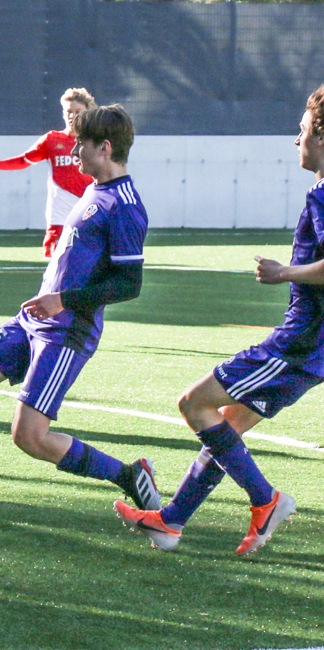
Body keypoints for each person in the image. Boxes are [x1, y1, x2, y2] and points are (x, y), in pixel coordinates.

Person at [113, 85, 324, 555]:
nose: (297, 140)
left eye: (303, 130)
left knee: (194, 405)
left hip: (299, 343)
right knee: (226, 426)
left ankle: (266, 500)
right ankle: (171, 522)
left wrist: (284, 273)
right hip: (313, 346)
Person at [0, 104, 160, 520]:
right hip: (33, 321)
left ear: (105, 147)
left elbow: (129, 285)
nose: (73, 151)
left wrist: (63, 301)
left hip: (66, 332)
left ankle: (129, 475)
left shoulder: (125, 204)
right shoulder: (92, 191)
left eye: (81, 144)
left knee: (29, 437)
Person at [0, 88, 98, 257]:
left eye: (78, 111)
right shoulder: (52, 139)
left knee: (90, 260)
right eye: (69, 111)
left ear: (87, 113)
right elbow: (24, 160)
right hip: (60, 214)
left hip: (89, 208)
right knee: (58, 262)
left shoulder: (96, 140)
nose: (72, 116)